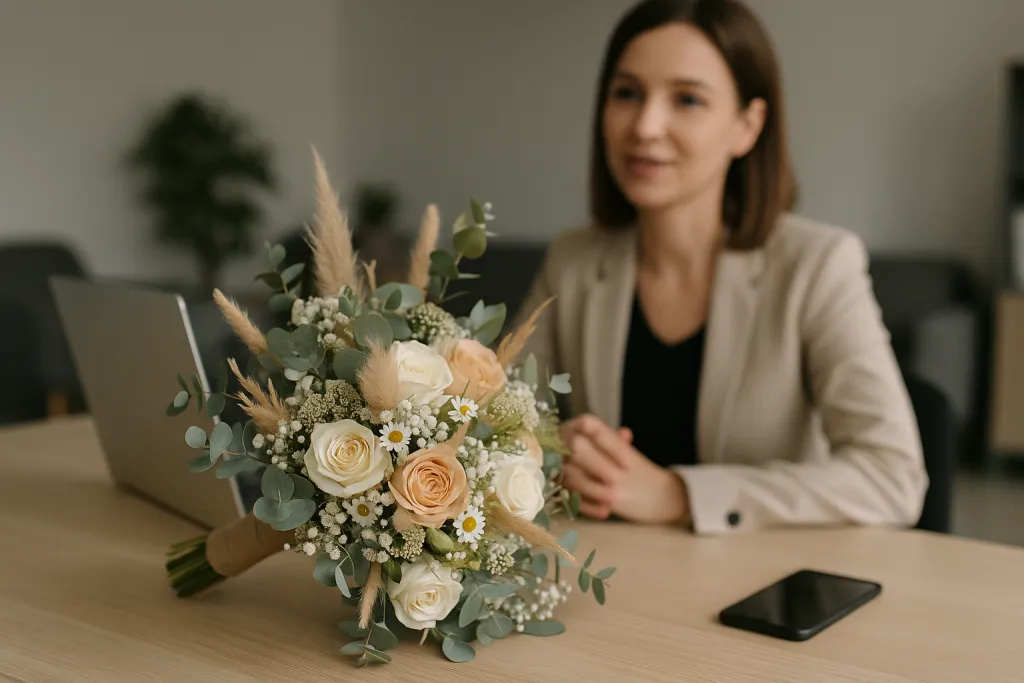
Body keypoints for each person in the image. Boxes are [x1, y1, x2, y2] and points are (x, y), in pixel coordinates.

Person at [517, 0, 928, 534]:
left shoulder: (818, 266)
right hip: (612, 581)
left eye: (687, 99)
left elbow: (893, 477)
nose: (645, 125)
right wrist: (550, 453)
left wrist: (680, 495)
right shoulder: (572, 261)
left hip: (760, 588)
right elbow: (495, 428)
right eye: (627, 94)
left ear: (747, 125)